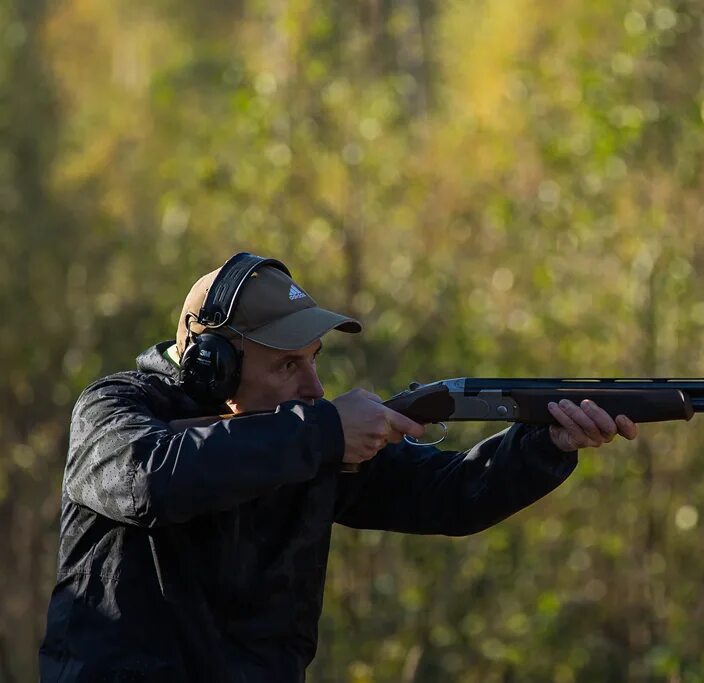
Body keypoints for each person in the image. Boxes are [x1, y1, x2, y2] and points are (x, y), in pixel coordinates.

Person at [38, 252, 639, 682]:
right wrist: (325, 432)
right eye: (287, 366)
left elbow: (453, 495)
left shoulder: (306, 438)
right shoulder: (115, 410)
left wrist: (545, 445)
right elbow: (150, 481)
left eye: (314, 361)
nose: (315, 386)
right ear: (211, 366)